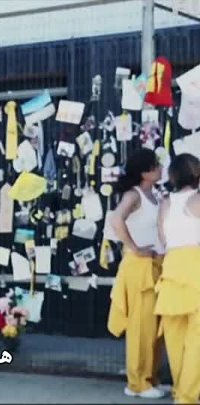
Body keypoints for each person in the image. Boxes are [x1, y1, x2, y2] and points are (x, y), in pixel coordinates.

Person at [107, 148, 166, 399]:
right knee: (141, 327)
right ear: (145, 172)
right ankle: (137, 383)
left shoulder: (156, 195)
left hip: (156, 263)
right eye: (156, 165)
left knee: (155, 327)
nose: (160, 168)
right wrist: (134, 247)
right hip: (139, 265)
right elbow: (116, 219)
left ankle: (150, 378)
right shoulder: (134, 195)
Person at [156, 153, 200, 404]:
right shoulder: (197, 200)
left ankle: (181, 391)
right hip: (195, 268)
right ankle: (187, 396)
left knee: (175, 339)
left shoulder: (165, 204)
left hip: (171, 269)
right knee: (197, 340)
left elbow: (163, 239)